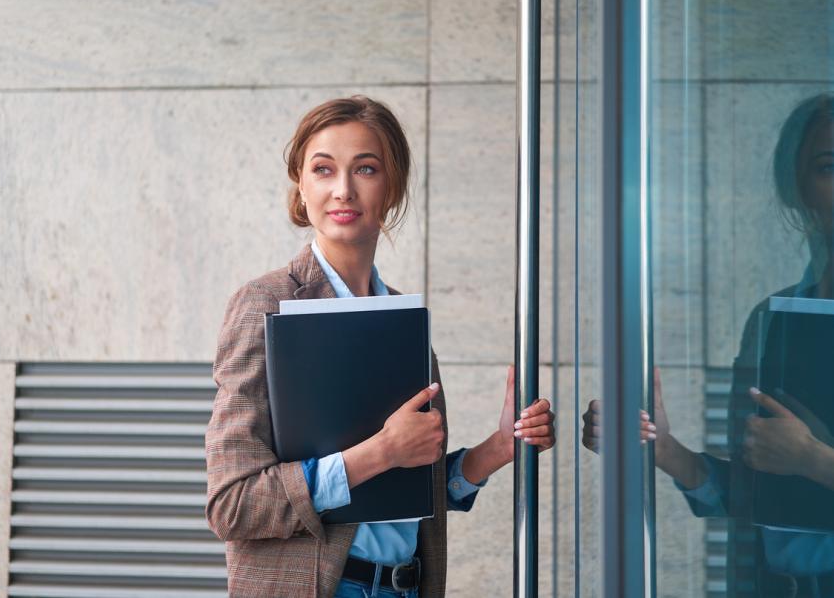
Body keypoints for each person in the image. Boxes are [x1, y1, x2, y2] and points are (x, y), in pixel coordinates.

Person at [206, 96, 556, 598]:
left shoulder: (401, 317)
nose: (343, 189)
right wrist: (381, 452)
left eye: (365, 169)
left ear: (390, 188)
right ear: (301, 187)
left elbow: (409, 495)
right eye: (323, 170)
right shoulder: (266, 304)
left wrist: (498, 448)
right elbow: (232, 504)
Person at [582, 93, 834, 597]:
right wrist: (660, 447)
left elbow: (793, 462)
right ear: (796, 188)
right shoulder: (773, 319)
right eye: (829, 167)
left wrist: (812, 459)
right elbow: (751, 494)